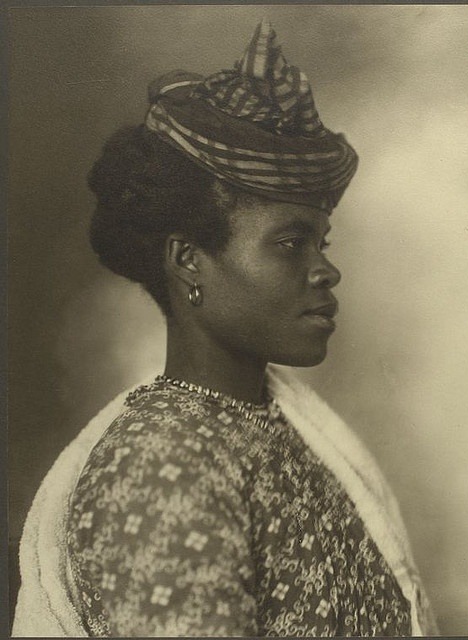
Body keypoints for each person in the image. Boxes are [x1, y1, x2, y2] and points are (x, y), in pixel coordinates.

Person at [12, 18, 438, 637]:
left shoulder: (276, 426)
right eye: (291, 243)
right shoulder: (163, 466)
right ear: (189, 260)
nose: (327, 271)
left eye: (322, 242)